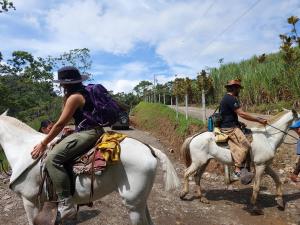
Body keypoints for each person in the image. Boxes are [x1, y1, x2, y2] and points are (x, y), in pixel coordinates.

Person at [31, 66, 104, 220]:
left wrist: (43, 143)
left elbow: (59, 124)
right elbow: (83, 116)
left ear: (65, 84)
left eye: (62, 83)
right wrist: (74, 128)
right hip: (90, 129)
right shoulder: (84, 93)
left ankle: (66, 203)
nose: (61, 86)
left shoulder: (74, 97)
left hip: (88, 132)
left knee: (53, 159)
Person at [219, 79, 268, 179]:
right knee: (246, 145)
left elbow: (227, 114)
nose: (239, 91)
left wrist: (239, 123)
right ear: (234, 88)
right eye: (238, 89)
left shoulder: (227, 98)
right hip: (229, 128)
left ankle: (247, 166)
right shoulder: (231, 99)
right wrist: (258, 119)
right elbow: (241, 113)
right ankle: (237, 170)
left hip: (230, 124)